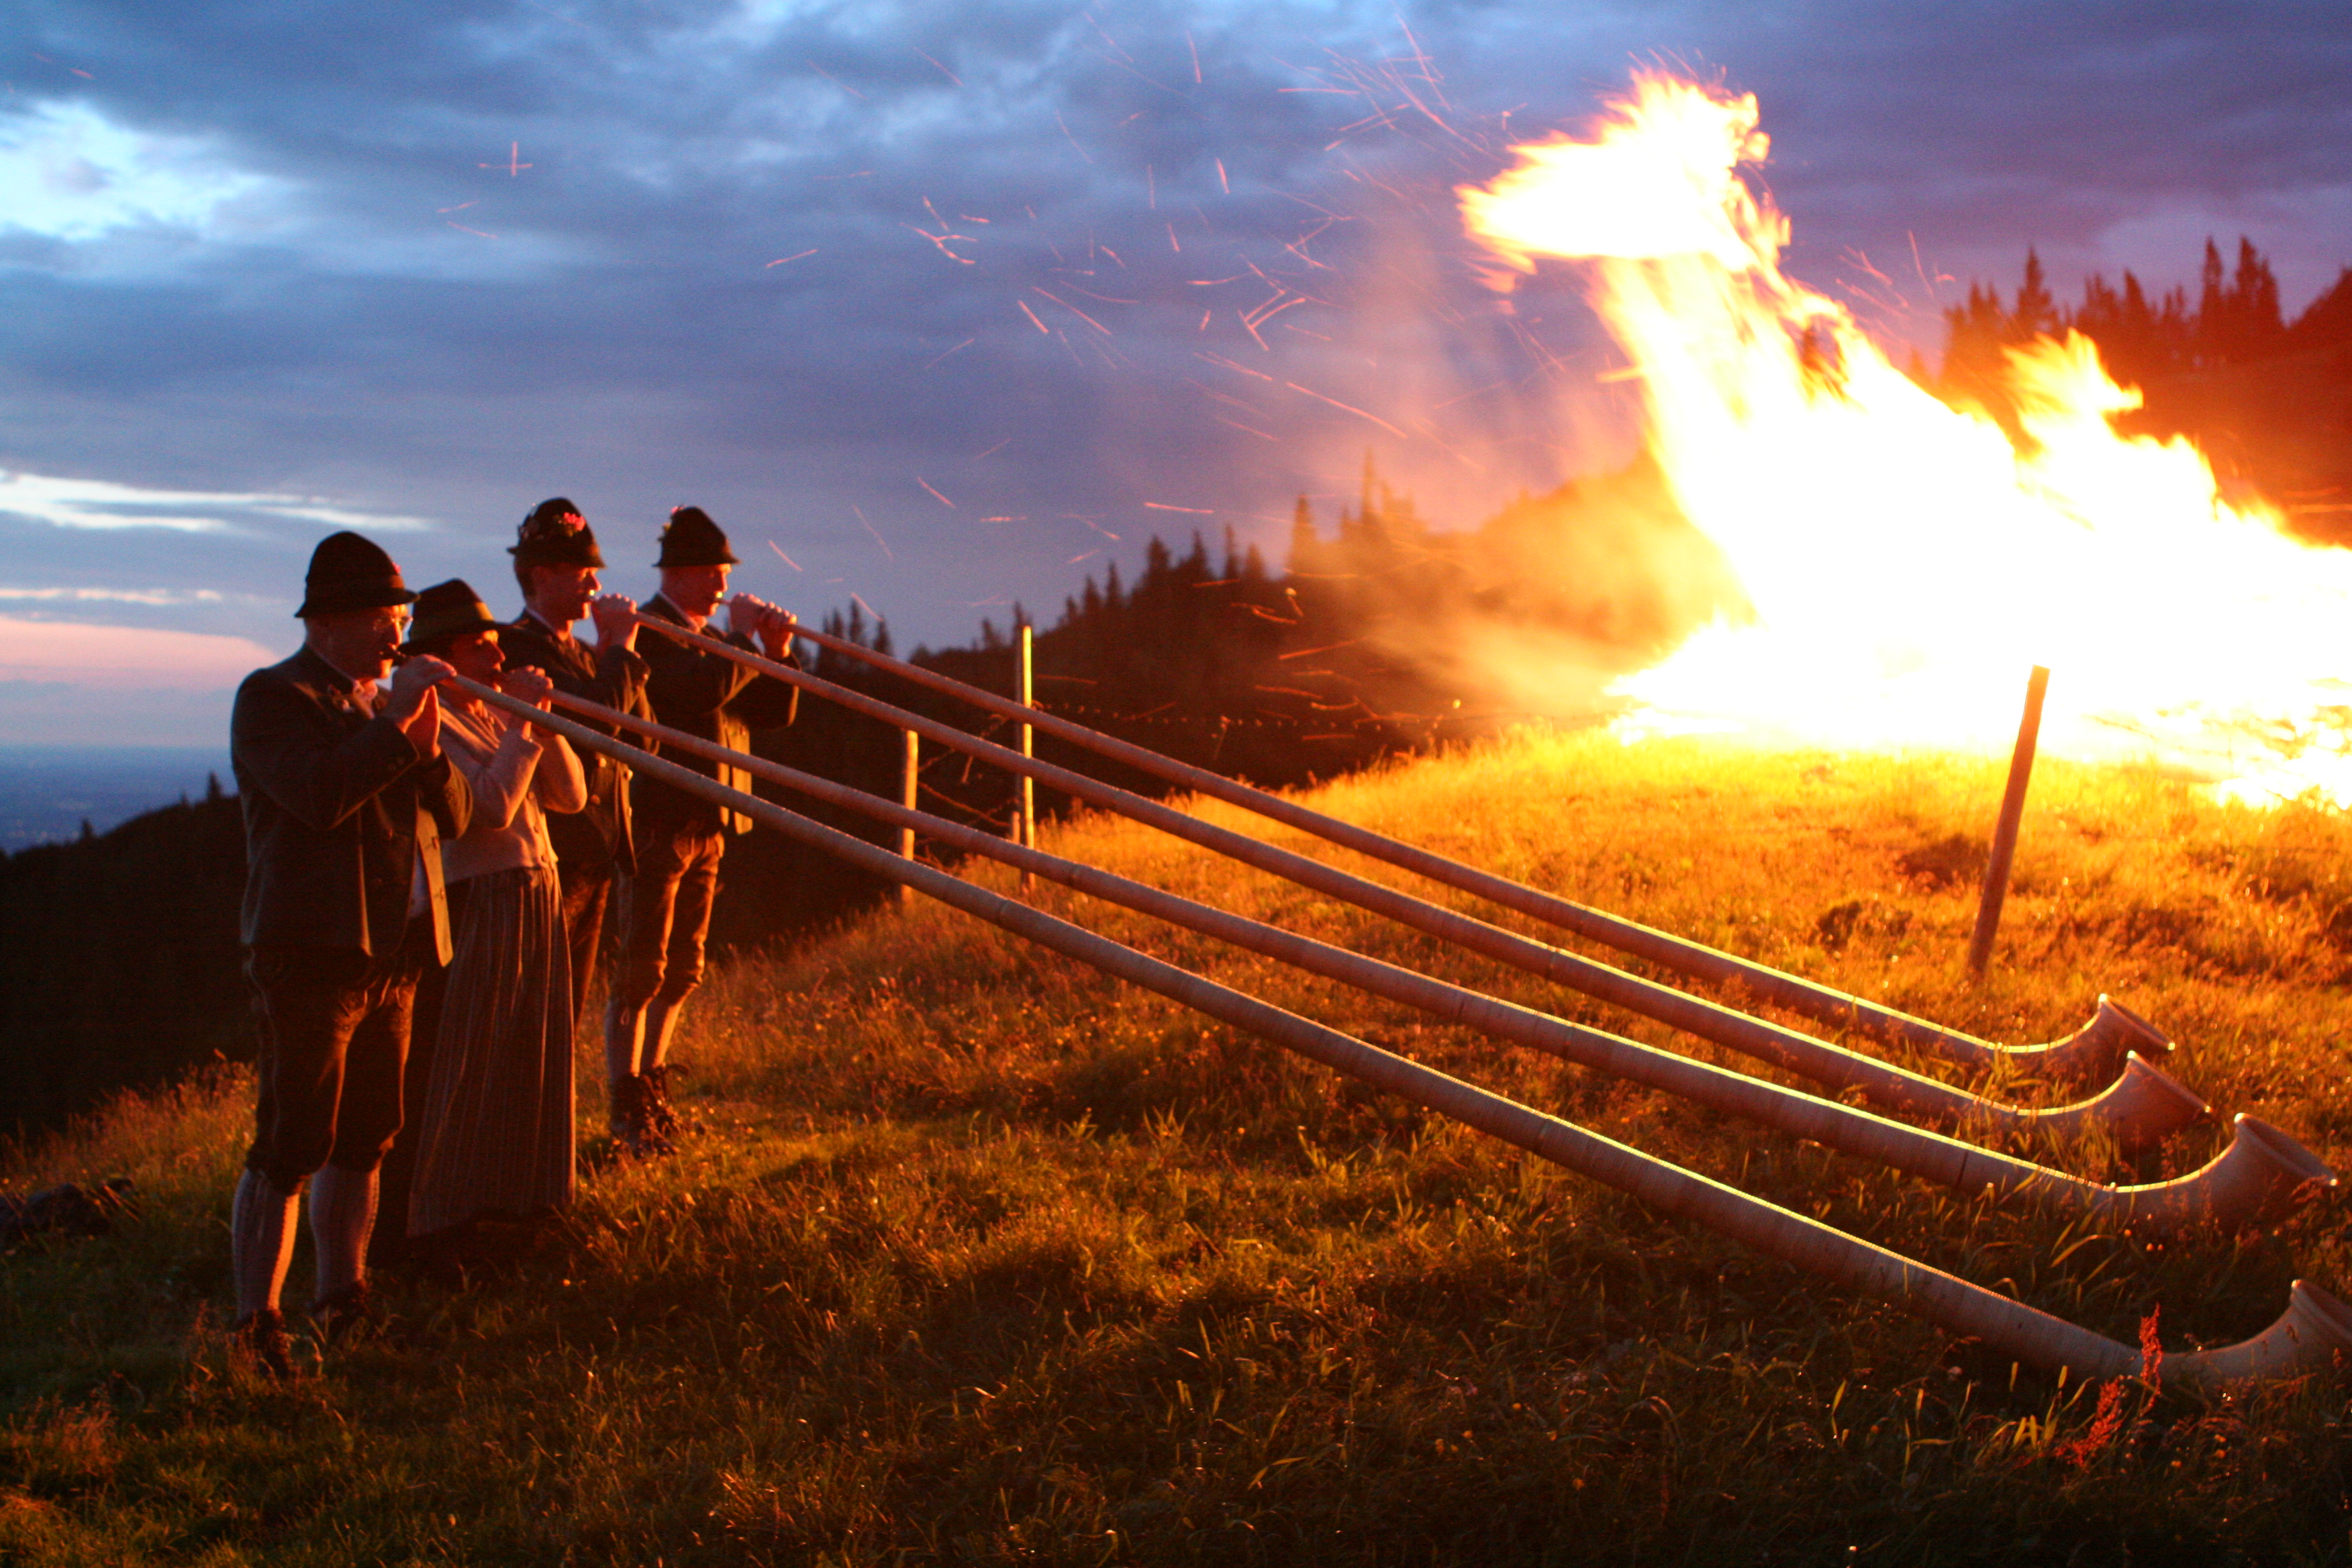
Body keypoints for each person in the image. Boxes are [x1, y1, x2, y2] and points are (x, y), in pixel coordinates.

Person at [228, 531, 469, 1374]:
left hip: (390, 956)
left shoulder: (381, 704)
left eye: (399, 615)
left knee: (367, 1136)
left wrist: (432, 749)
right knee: (293, 1140)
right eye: (381, 616)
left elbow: (462, 813)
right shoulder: (272, 697)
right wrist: (402, 724)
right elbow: (321, 795)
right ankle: (256, 1324)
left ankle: (343, 1296)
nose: (395, 632)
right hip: (312, 954)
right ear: (327, 622)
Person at [395, 581, 588, 1267]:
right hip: (478, 896)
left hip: (536, 888)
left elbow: (571, 795)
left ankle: (520, 1199)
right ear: (444, 655)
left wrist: (540, 723)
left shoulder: (494, 712)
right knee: (469, 1060)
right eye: (481, 645)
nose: (497, 654)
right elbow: (489, 808)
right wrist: (520, 728)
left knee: (528, 1054)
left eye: (495, 642)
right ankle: (442, 1219)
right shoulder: (433, 720)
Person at [605, 505, 798, 1153]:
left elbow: (767, 713)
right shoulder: (650, 632)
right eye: (714, 576)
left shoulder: (716, 640)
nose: (722, 590)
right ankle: (624, 1098)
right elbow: (697, 694)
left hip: (711, 816)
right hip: (660, 816)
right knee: (641, 967)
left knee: (683, 967)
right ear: (681, 575)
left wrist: (776, 653)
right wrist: (743, 643)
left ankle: (653, 1085)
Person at [494, 499, 649, 1034]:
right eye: (581, 575)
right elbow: (596, 731)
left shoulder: (586, 653)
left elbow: (641, 739)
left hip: (596, 849)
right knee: (536, 1002)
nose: (592, 588)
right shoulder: (516, 646)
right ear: (541, 576)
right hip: (556, 848)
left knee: (570, 1003)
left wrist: (616, 655)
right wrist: (621, 653)